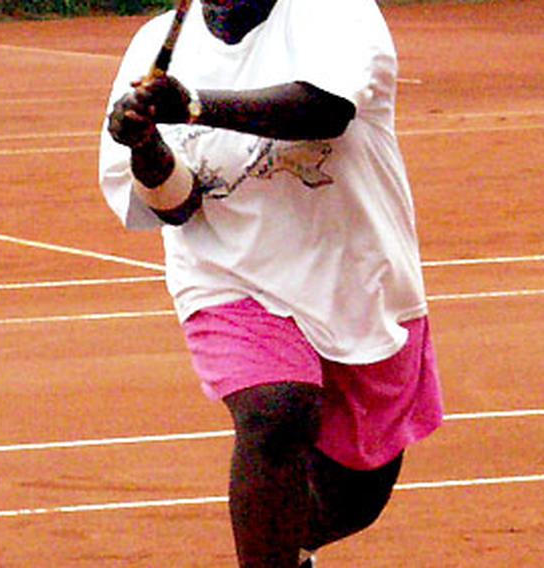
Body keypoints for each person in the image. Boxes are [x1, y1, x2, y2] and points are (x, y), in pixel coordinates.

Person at [98, 0, 445, 566]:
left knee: (357, 495)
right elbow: (178, 206)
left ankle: (290, 550)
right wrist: (145, 148)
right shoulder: (151, 47)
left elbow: (324, 109)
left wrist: (192, 105)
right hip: (227, 276)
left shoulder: (335, 12)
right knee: (276, 411)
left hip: (356, 279)